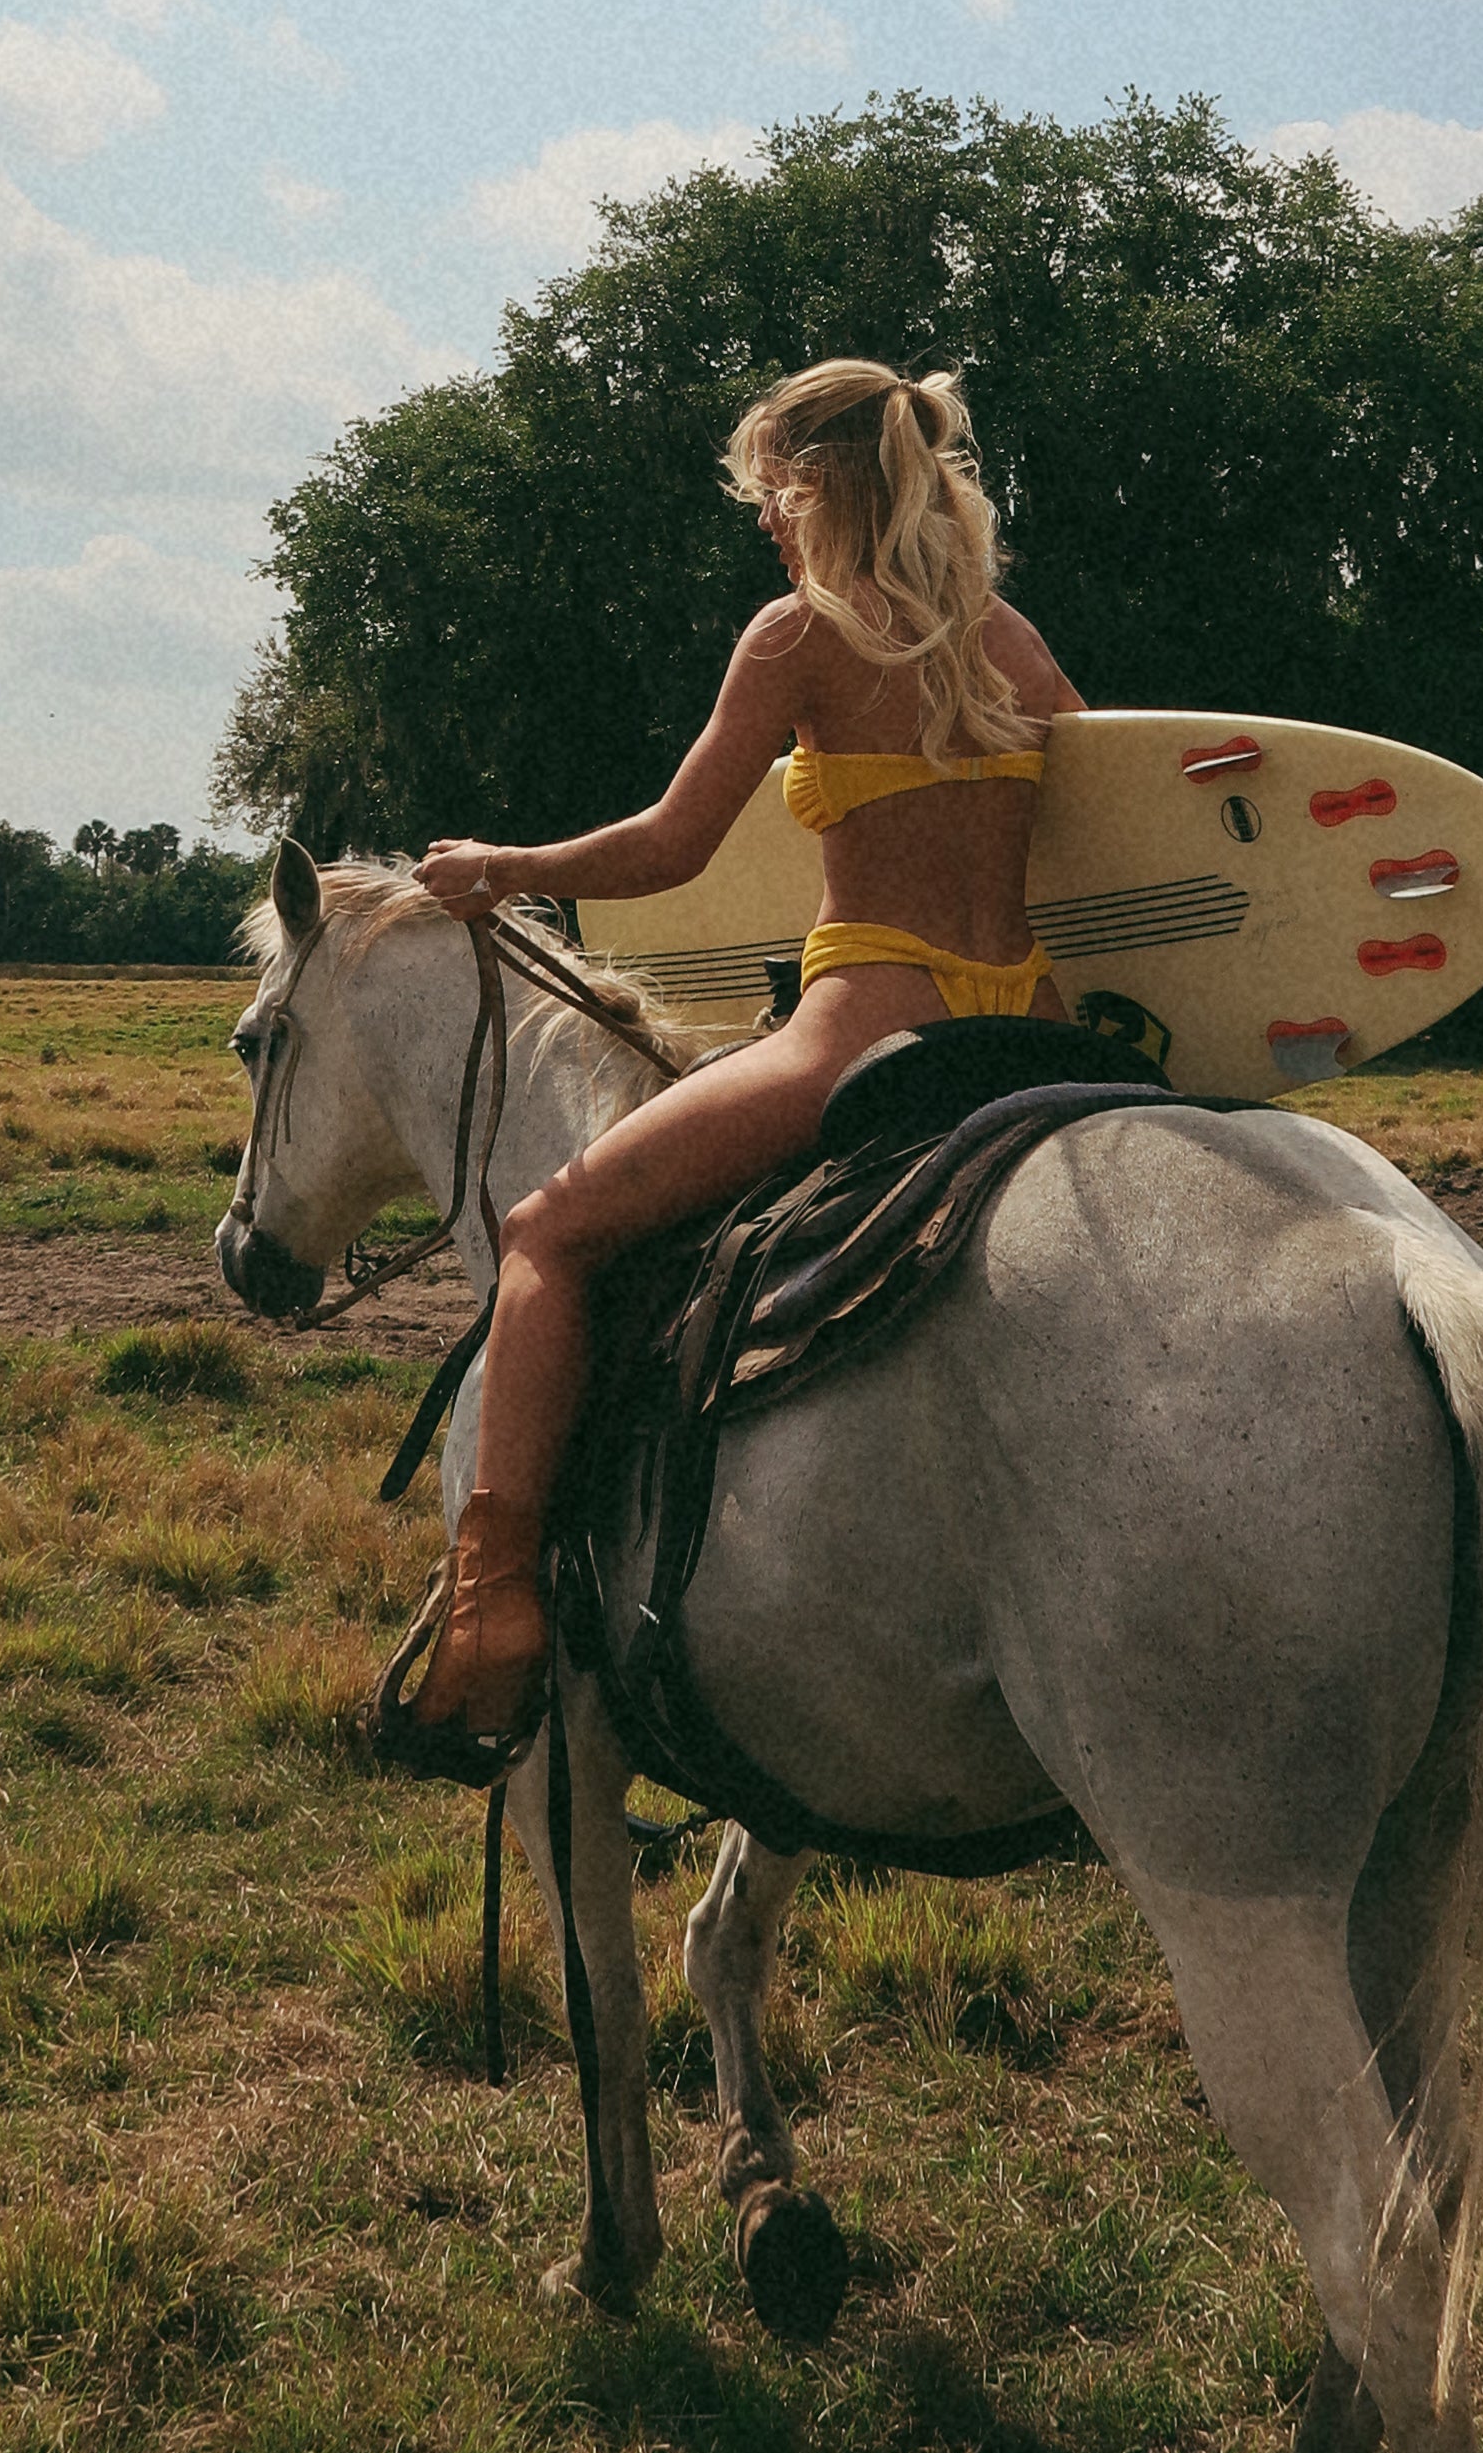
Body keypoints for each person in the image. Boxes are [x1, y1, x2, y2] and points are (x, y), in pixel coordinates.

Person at [387, 355, 1083, 1752]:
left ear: (818, 485)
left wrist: (502, 868)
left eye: (772, 493)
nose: (765, 522)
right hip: (1028, 1036)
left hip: (866, 1029)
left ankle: (491, 1606)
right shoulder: (1009, 640)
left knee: (547, 1230)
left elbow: (671, 847)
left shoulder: (799, 634)